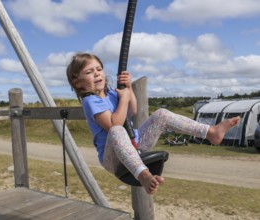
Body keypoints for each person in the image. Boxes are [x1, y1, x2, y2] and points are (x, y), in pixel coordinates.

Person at [66, 52, 240, 195]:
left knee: (161, 114)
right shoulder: (90, 101)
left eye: (99, 69)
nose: (97, 73)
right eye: (89, 72)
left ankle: (211, 132)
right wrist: (124, 99)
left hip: (135, 144)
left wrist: (128, 90)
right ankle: (143, 174)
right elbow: (113, 124)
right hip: (113, 158)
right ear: (77, 82)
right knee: (117, 130)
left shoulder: (111, 92)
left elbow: (132, 111)